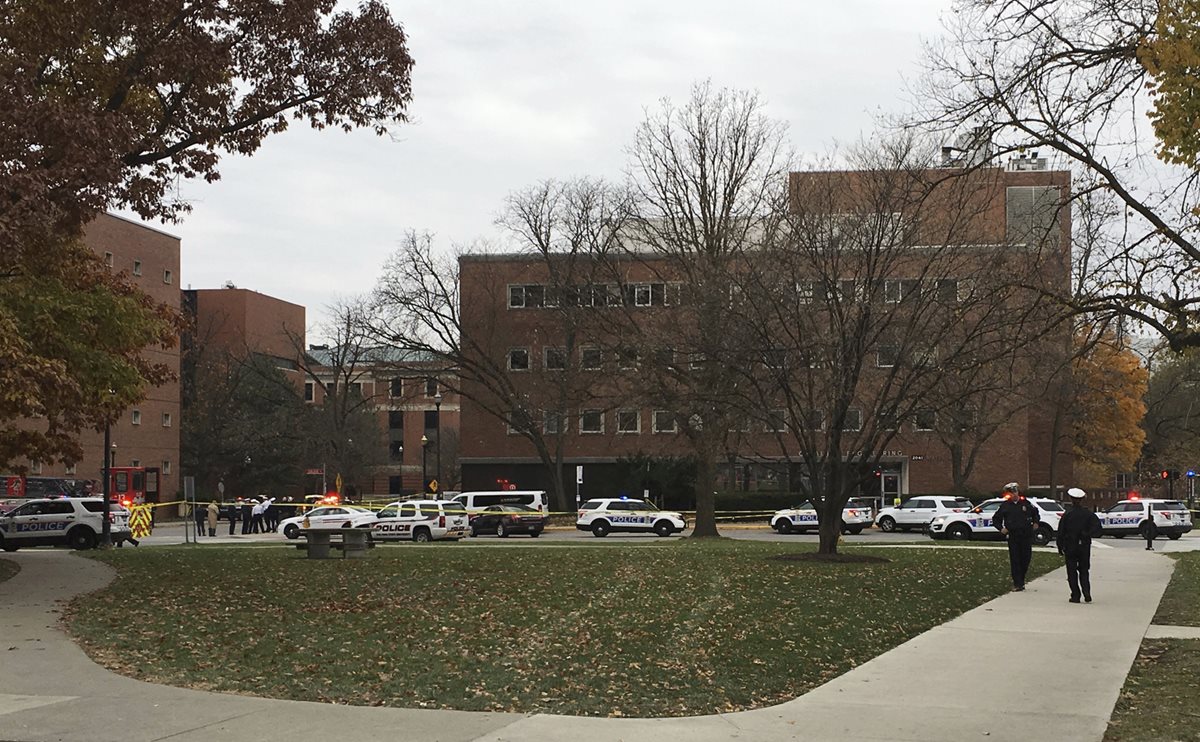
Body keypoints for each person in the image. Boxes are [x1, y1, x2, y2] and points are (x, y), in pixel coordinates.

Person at [992, 482, 1041, 591]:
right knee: (1015, 560)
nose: (1014, 494)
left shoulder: (1026, 504)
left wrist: (1036, 522)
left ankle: (1021, 579)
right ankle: (1018, 583)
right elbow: (996, 519)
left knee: (1026, 558)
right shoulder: (1005, 506)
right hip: (1013, 536)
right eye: (1012, 493)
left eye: (1015, 492)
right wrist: (1001, 529)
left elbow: (1035, 513)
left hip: (1026, 535)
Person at [1058, 487, 1103, 603]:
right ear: (1082, 499)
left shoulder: (1067, 514)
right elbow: (1098, 528)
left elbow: (1061, 531)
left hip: (1070, 546)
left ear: (1071, 499)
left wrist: (1060, 546)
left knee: (1072, 571)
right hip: (1084, 546)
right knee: (1084, 570)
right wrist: (1087, 534)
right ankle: (1086, 592)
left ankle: (1075, 595)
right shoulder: (1088, 514)